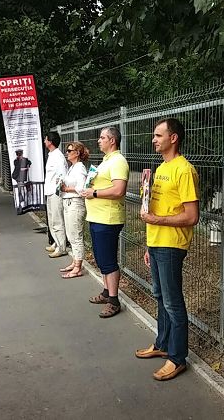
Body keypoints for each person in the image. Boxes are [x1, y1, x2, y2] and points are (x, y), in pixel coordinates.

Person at [136, 118, 199, 381]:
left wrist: (158, 222)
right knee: (160, 295)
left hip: (172, 245)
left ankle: (177, 358)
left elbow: (192, 216)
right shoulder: (161, 167)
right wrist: (149, 244)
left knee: (173, 302)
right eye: (154, 135)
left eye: (159, 135)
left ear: (173, 138)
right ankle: (162, 344)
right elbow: (156, 209)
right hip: (158, 243)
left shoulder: (184, 170)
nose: (154, 139)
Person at [81, 127, 129, 318]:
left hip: (108, 219)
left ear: (112, 141)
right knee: (101, 259)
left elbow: (118, 190)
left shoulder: (118, 161)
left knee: (108, 261)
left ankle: (114, 300)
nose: (98, 141)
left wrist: (94, 193)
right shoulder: (106, 161)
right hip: (97, 217)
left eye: (102, 138)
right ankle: (106, 291)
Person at [60, 141, 89, 278]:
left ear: (77, 153)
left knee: (76, 235)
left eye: (70, 150)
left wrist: (66, 189)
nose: (67, 152)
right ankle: (75, 261)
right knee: (71, 234)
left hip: (75, 203)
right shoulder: (72, 167)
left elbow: (82, 188)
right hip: (68, 202)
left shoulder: (80, 168)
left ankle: (78, 267)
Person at [43, 133, 68, 258]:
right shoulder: (51, 155)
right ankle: (56, 242)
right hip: (49, 191)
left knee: (57, 220)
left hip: (55, 193)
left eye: (46, 139)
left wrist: (58, 191)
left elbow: (62, 175)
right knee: (52, 220)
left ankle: (61, 246)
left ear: (50, 141)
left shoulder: (58, 156)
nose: (44, 141)